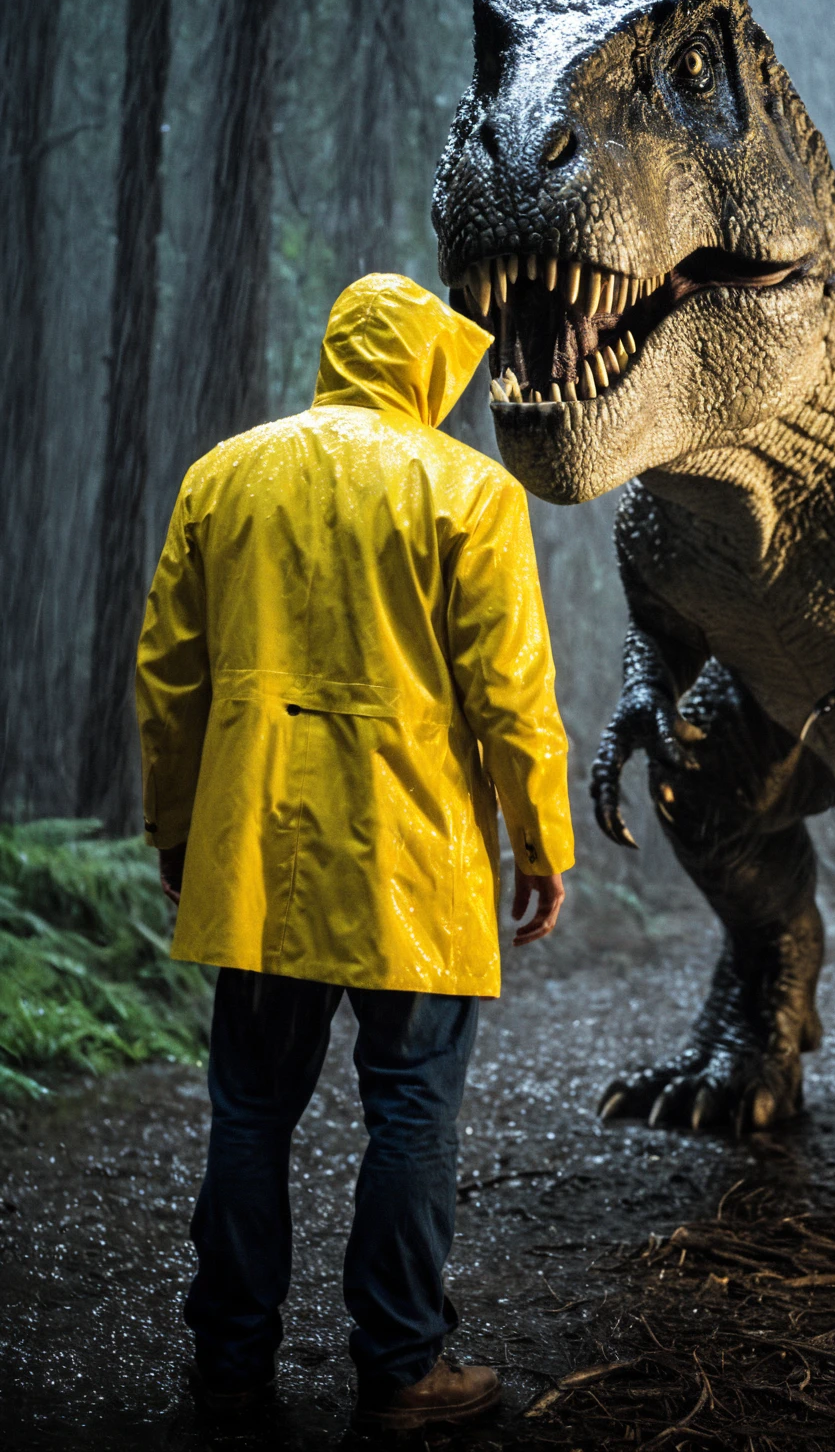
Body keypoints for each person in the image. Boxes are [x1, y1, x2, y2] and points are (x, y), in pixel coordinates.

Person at [136, 273, 573, 1430]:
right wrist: (541, 841)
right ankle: (402, 1370)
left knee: (250, 1111)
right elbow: (513, 694)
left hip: (260, 853)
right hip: (413, 862)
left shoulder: (225, 477)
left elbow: (169, 677)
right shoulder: (468, 493)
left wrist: (178, 828)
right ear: (423, 364)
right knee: (413, 1109)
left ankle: (229, 1367)